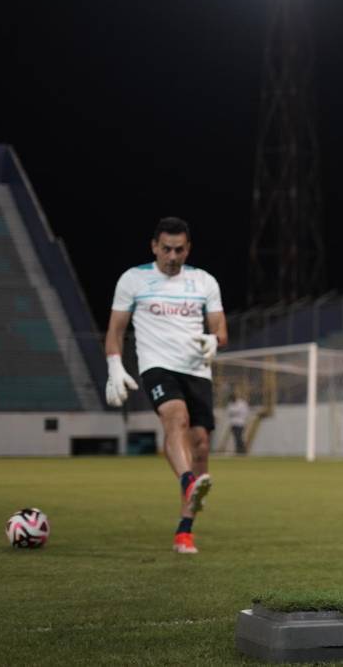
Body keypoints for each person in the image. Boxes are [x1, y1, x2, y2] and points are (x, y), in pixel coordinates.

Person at [104, 216, 226, 554]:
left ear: (189, 249)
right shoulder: (133, 279)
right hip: (158, 366)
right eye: (166, 249)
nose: (172, 257)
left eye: (179, 250)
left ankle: (184, 530)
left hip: (197, 370)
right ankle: (187, 482)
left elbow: (220, 327)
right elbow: (115, 329)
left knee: (200, 445)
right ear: (154, 246)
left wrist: (214, 341)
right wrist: (114, 366)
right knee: (176, 419)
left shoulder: (204, 281)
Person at [227, 389, 249, 455]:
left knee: (239, 436)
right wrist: (236, 413)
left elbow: (244, 412)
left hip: (240, 423)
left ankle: (243, 450)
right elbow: (229, 413)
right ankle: (238, 451)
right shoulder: (230, 404)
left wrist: (236, 413)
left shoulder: (242, 403)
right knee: (236, 437)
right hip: (233, 423)